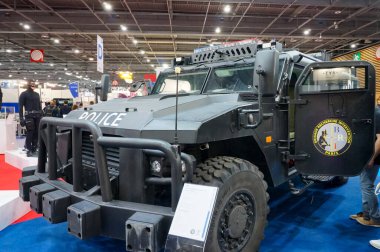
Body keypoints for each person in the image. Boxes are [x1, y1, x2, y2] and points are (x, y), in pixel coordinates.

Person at [350, 106, 380, 227]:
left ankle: (375, 218)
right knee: (365, 185)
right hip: (367, 156)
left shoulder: (377, 113)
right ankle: (367, 214)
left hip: (372, 157)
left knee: (367, 186)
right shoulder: (371, 112)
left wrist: (371, 157)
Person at [19, 80, 42, 157]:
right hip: (29, 116)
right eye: (31, 84)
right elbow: (20, 107)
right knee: (30, 132)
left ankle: (34, 148)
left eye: (34, 84)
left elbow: (39, 106)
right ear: (28, 85)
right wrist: (21, 118)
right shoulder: (23, 94)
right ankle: (28, 149)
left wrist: (42, 115)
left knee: (36, 133)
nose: (33, 85)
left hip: (37, 116)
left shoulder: (37, 94)